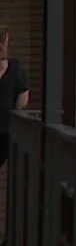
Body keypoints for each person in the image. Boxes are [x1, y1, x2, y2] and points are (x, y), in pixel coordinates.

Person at [0, 29, 28, 165]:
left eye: (4, 43)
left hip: (7, 131)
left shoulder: (15, 68)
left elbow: (23, 97)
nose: (1, 47)